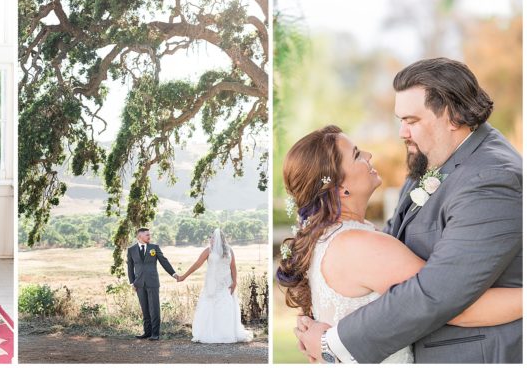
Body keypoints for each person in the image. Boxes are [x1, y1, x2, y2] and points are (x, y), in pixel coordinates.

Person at [293, 59, 522, 364]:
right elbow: (389, 254)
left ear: (452, 116)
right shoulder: (431, 162)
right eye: (400, 119)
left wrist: (331, 343)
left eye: (411, 120)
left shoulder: (491, 177)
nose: (401, 132)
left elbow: (440, 296)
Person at [177, 228, 253, 343]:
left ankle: (225, 333)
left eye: (212, 237)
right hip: (212, 284)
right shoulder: (208, 251)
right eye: (210, 237)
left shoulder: (229, 251)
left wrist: (235, 282)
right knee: (210, 306)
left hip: (225, 284)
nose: (210, 239)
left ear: (218, 239)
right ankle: (210, 332)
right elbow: (197, 264)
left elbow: (233, 267)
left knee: (225, 307)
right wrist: (184, 276)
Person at [126, 228, 179, 341]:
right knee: (145, 309)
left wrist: (174, 274)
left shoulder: (154, 248)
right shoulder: (131, 250)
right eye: (147, 235)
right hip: (139, 284)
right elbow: (130, 267)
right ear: (139, 237)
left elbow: (164, 261)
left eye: (149, 235)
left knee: (154, 309)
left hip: (153, 283)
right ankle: (147, 332)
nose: (149, 237)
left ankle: (155, 334)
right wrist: (132, 282)